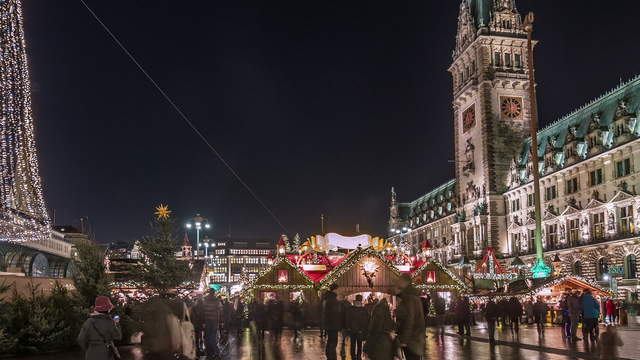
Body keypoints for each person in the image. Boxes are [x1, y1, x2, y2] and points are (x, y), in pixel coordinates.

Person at [77, 296, 122, 360]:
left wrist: (90, 348)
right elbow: (118, 337)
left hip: (91, 355)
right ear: (108, 309)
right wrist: (117, 324)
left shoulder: (89, 322)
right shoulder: (110, 322)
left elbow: (81, 339)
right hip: (106, 354)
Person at [395, 274, 426, 360]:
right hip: (415, 338)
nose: (397, 283)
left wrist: (404, 339)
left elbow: (410, 318)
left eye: (399, 281)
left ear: (404, 282)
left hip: (412, 340)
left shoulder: (409, 297)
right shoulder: (412, 295)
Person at [322, 284, 341, 360]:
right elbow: (335, 313)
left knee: (330, 341)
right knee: (333, 342)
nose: (339, 291)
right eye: (338, 289)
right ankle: (332, 357)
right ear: (335, 289)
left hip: (329, 324)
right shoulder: (332, 299)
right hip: (333, 325)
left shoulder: (327, 298)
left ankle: (329, 355)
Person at [346, 294, 369, 360]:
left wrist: (348, 327)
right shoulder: (364, 309)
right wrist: (364, 329)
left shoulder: (350, 309)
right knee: (359, 344)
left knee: (353, 344)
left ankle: (353, 357)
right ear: (361, 300)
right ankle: (359, 357)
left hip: (352, 330)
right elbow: (366, 320)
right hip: (360, 330)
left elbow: (347, 319)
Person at [201, 291, 222, 358]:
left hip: (207, 321)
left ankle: (209, 352)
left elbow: (203, 311)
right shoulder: (217, 301)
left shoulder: (205, 300)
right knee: (213, 336)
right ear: (214, 293)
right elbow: (220, 310)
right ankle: (216, 352)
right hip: (214, 321)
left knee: (207, 337)